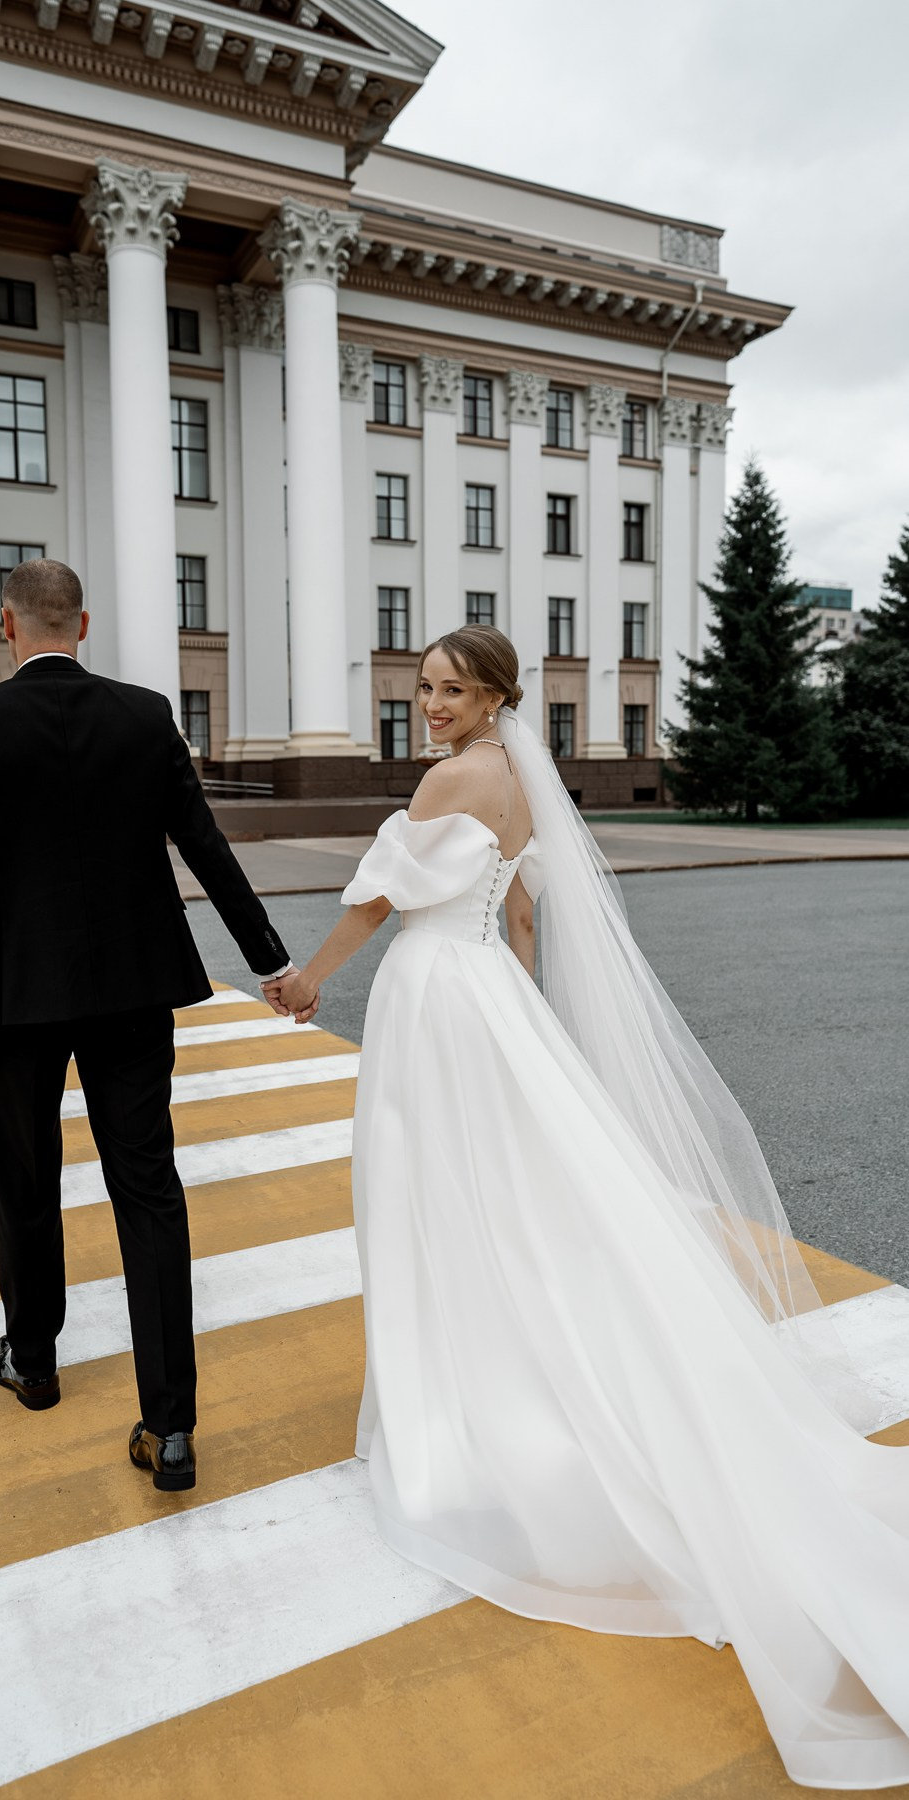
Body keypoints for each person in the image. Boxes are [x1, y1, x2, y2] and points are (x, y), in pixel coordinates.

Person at [266, 625, 909, 1789]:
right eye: (423, 688)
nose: (431, 705)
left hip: (434, 1000)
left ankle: (456, 1410)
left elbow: (378, 901)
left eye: (452, 691)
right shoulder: (524, 783)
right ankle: (513, 1369)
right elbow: (520, 921)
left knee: (430, 1198)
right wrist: (521, 1023)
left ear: (494, 697)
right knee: (513, 1200)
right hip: (486, 998)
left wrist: (309, 976)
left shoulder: (447, 784)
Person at [0, 559, 294, 1493]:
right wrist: (270, 960)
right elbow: (203, 843)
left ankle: (34, 1363)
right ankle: (170, 1427)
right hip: (133, 989)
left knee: (25, 1179)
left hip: (15, 995)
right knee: (148, 1188)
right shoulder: (145, 714)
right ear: (82, 626)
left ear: (7, 626)